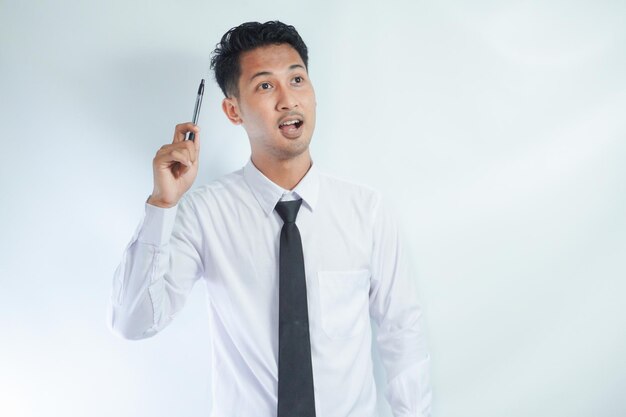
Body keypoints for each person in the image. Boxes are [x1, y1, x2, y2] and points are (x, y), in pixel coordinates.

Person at [110, 20, 431, 417]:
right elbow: (133, 322)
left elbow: (402, 334)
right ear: (232, 111)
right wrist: (162, 204)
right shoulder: (205, 215)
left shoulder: (367, 210)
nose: (287, 100)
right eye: (265, 85)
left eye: (297, 80)